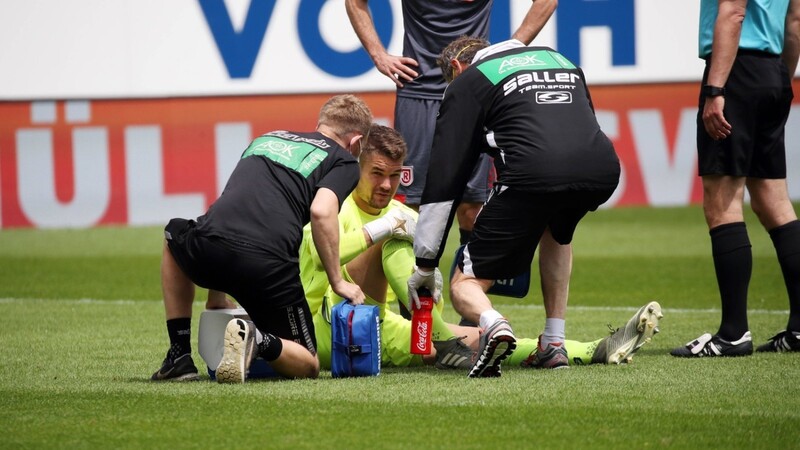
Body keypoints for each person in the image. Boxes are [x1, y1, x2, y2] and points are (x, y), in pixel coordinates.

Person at [301, 125, 656, 372]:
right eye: (377, 173)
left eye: (394, 176)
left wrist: (431, 280)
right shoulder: (333, 205)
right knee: (395, 236)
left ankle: (594, 350)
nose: (386, 184)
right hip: (322, 327)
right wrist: (382, 228)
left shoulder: (403, 213)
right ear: (357, 167)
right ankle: (439, 339)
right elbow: (320, 254)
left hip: (375, 327)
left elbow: (428, 303)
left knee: (480, 339)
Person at [408, 36, 622, 378]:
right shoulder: (558, 58)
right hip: (602, 168)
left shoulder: (468, 81)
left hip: (532, 172)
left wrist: (425, 263)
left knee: (465, 283)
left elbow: (444, 179)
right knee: (557, 232)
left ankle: (493, 325)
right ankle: (554, 342)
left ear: (456, 68)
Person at [150, 94, 372, 382]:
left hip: (210, 245)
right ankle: (257, 339)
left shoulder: (266, 139)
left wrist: (216, 296)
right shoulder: (344, 160)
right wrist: (337, 281)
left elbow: (232, 205)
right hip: (267, 265)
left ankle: (179, 355)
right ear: (356, 142)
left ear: (321, 125)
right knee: (309, 364)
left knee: (174, 236)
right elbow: (321, 211)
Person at [345, 0, 557, 251]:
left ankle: (466, 285)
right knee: (411, 204)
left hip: (474, 90)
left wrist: (510, 48)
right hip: (418, 91)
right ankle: (409, 287)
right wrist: (378, 54)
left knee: (472, 206)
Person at [671, 0, 800, 357]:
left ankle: (733, 334)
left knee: (721, 202)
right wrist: (779, 80)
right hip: (774, 70)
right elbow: (795, 20)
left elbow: (733, 11)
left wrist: (715, 90)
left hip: (735, 71)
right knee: (774, 202)